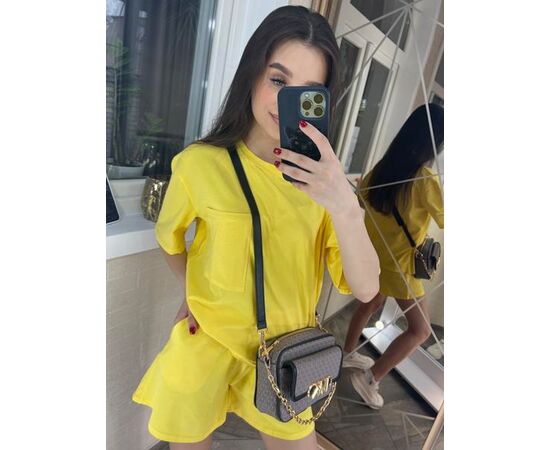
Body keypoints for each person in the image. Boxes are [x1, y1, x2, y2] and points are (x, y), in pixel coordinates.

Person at [131, 6, 380, 450]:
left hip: (287, 355)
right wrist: (191, 291)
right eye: (279, 80)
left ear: (323, 102)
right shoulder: (199, 165)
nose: (286, 103)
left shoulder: (325, 186)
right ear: (252, 75)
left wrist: (345, 204)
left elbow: (365, 288)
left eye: (307, 92)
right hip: (205, 345)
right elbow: (169, 239)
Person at [342, 104, 444, 410]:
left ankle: (347, 353)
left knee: (369, 304)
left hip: (376, 258)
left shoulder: (383, 168)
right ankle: (371, 378)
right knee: (421, 330)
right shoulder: (425, 179)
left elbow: (361, 201)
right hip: (400, 266)